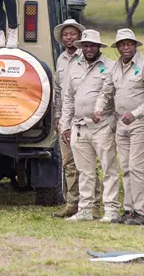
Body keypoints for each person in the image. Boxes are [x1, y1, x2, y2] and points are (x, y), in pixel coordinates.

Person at [93, 29, 144, 226]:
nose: (125, 47)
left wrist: (136, 113)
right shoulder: (115, 67)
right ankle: (129, 210)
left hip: (142, 121)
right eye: (122, 44)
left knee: (136, 167)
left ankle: (142, 213)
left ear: (135, 45)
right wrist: (98, 109)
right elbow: (106, 91)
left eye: (129, 43)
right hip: (122, 122)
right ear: (118, 47)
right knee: (126, 168)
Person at [59, 30, 120, 223]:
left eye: (92, 45)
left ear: (99, 47)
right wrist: (65, 125)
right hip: (79, 125)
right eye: (86, 45)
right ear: (81, 47)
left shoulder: (110, 66)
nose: (89, 48)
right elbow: (68, 98)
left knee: (108, 168)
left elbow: (117, 95)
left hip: (102, 125)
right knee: (84, 171)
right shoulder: (73, 67)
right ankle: (85, 209)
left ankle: (111, 209)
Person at [50, 19, 96, 217]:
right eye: (65, 35)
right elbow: (59, 91)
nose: (69, 38)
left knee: (89, 164)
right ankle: (72, 203)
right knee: (68, 163)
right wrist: (59, 117)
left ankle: (93, 205)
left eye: (73, 34)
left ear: (79, 37)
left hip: (85, 118)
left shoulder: (86, 56)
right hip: (66, 118)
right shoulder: (60, 59)